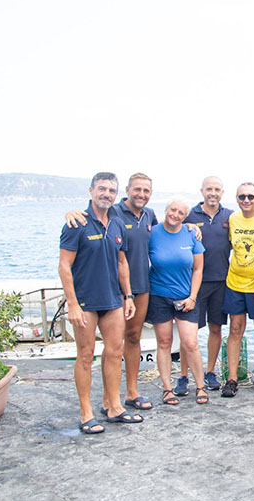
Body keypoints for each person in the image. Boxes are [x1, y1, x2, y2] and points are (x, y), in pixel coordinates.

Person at [66, 173, 158, 412]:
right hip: (107, 291)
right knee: (101, 349)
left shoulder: (149, 215)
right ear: (126, 190)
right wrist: (70, 213)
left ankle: (128, 394)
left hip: (138, 286)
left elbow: (165, 234)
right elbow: (66, 261)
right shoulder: (113, 212)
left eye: (146, 190)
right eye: (137, 189)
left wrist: (190, 227)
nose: (141, 194)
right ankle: (104, 402)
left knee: (130, 340)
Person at [58, 172, 139, 434]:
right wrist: (72, 304)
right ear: (91, 191)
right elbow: (64, 266)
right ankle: (86, 413)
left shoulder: (117, 224)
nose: (106, 194)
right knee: (85, 355)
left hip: (113, 300)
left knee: (115, 352)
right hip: (85, 301)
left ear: (117, 194)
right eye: (102, 189)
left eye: (111, 190)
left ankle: (114, 406)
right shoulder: (76, 223)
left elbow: (122, 262)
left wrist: (128, 295)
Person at [147, 200, 206, 406]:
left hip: (186, 296)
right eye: (173, 210)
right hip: (159, 295)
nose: (176, 214)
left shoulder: (191, 234)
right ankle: (167, 389)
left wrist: (192, 297)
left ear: (185, 216)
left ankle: (200, 386)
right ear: (166, 210)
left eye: (181, 212)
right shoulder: (152, 233)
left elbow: (198, 269)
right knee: (164, 343)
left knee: (190, 343)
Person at [179, 176, 233, 395]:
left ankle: (210, 372)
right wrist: (186, 225)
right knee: (188, 333)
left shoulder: (229, 216)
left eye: (217, 189)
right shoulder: (190, 215)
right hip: (194, 283)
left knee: (215, 328)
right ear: (202, 191)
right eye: (209, 189)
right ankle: (183, 376)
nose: (213, 193)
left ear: (222, 192)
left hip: (221, 281)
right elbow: (169, 227)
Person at [220, 182, 254, 398]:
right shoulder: (233, 218)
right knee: (235, 329)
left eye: (251, 196)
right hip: (235, 282)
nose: (246, 200)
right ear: (236, 198)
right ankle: (232, 378)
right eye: (242, 197)